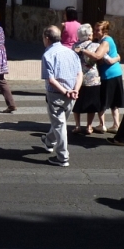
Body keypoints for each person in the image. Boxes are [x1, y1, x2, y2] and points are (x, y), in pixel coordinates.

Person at [40, 25, 83, 167]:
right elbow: (79, 74)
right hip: (72, 94)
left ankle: (62, 156)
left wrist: (65, 91)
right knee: (60, 123)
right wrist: (75, 90)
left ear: (47, 38)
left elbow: (51, 80)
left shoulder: (48, 55)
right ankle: (49, 140)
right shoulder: (71, 52)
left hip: (57, 94)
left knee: (60, 125)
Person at [81, 20, 124, 134]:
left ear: (104, 31)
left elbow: (97, 56)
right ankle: (116, 125)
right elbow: (113, 57)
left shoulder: (105, 42)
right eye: (94, 29)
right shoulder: (104, 40)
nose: (95, 32)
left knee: (102, 101)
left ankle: (102, 125)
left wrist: (83, 50)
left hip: (108, 75)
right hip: (116, 73)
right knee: (114, 102)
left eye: (97, 30)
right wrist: (118, 58)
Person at [71, 23, 101, 134]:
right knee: (92, 104)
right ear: (88, 35)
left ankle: (78, 126)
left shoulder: (75, 46)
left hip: (77, 78)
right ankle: (89, 126)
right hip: (92, 78)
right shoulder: (95, 46)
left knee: (77, 102)